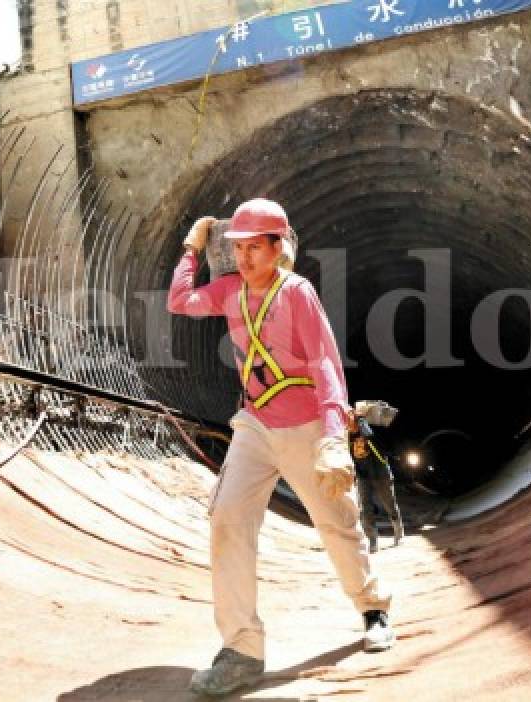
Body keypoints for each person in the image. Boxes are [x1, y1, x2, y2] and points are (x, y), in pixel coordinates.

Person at [168, 198, 394, 697]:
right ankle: (241, 651)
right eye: (239, 248)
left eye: (256, 248)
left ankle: (373, 607)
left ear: (279, 248)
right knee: (227, 517)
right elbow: (180, 301)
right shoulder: (228, 290)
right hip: (254, 425)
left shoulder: (297, 293)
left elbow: (325, 365)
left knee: (336, 524)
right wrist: (191, 247)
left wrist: (334, 438)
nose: (245, 258)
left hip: (307, 426)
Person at [349, 414, 404, 554]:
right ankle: (372, 540)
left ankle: (398, 533)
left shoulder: (373, 432)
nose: (350, 424)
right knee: (365, 509)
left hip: (381, 474)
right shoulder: (349, 438)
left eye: (353, 421)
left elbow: (371, 437)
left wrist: (362, 422)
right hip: (363, 476)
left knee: (389, 504)